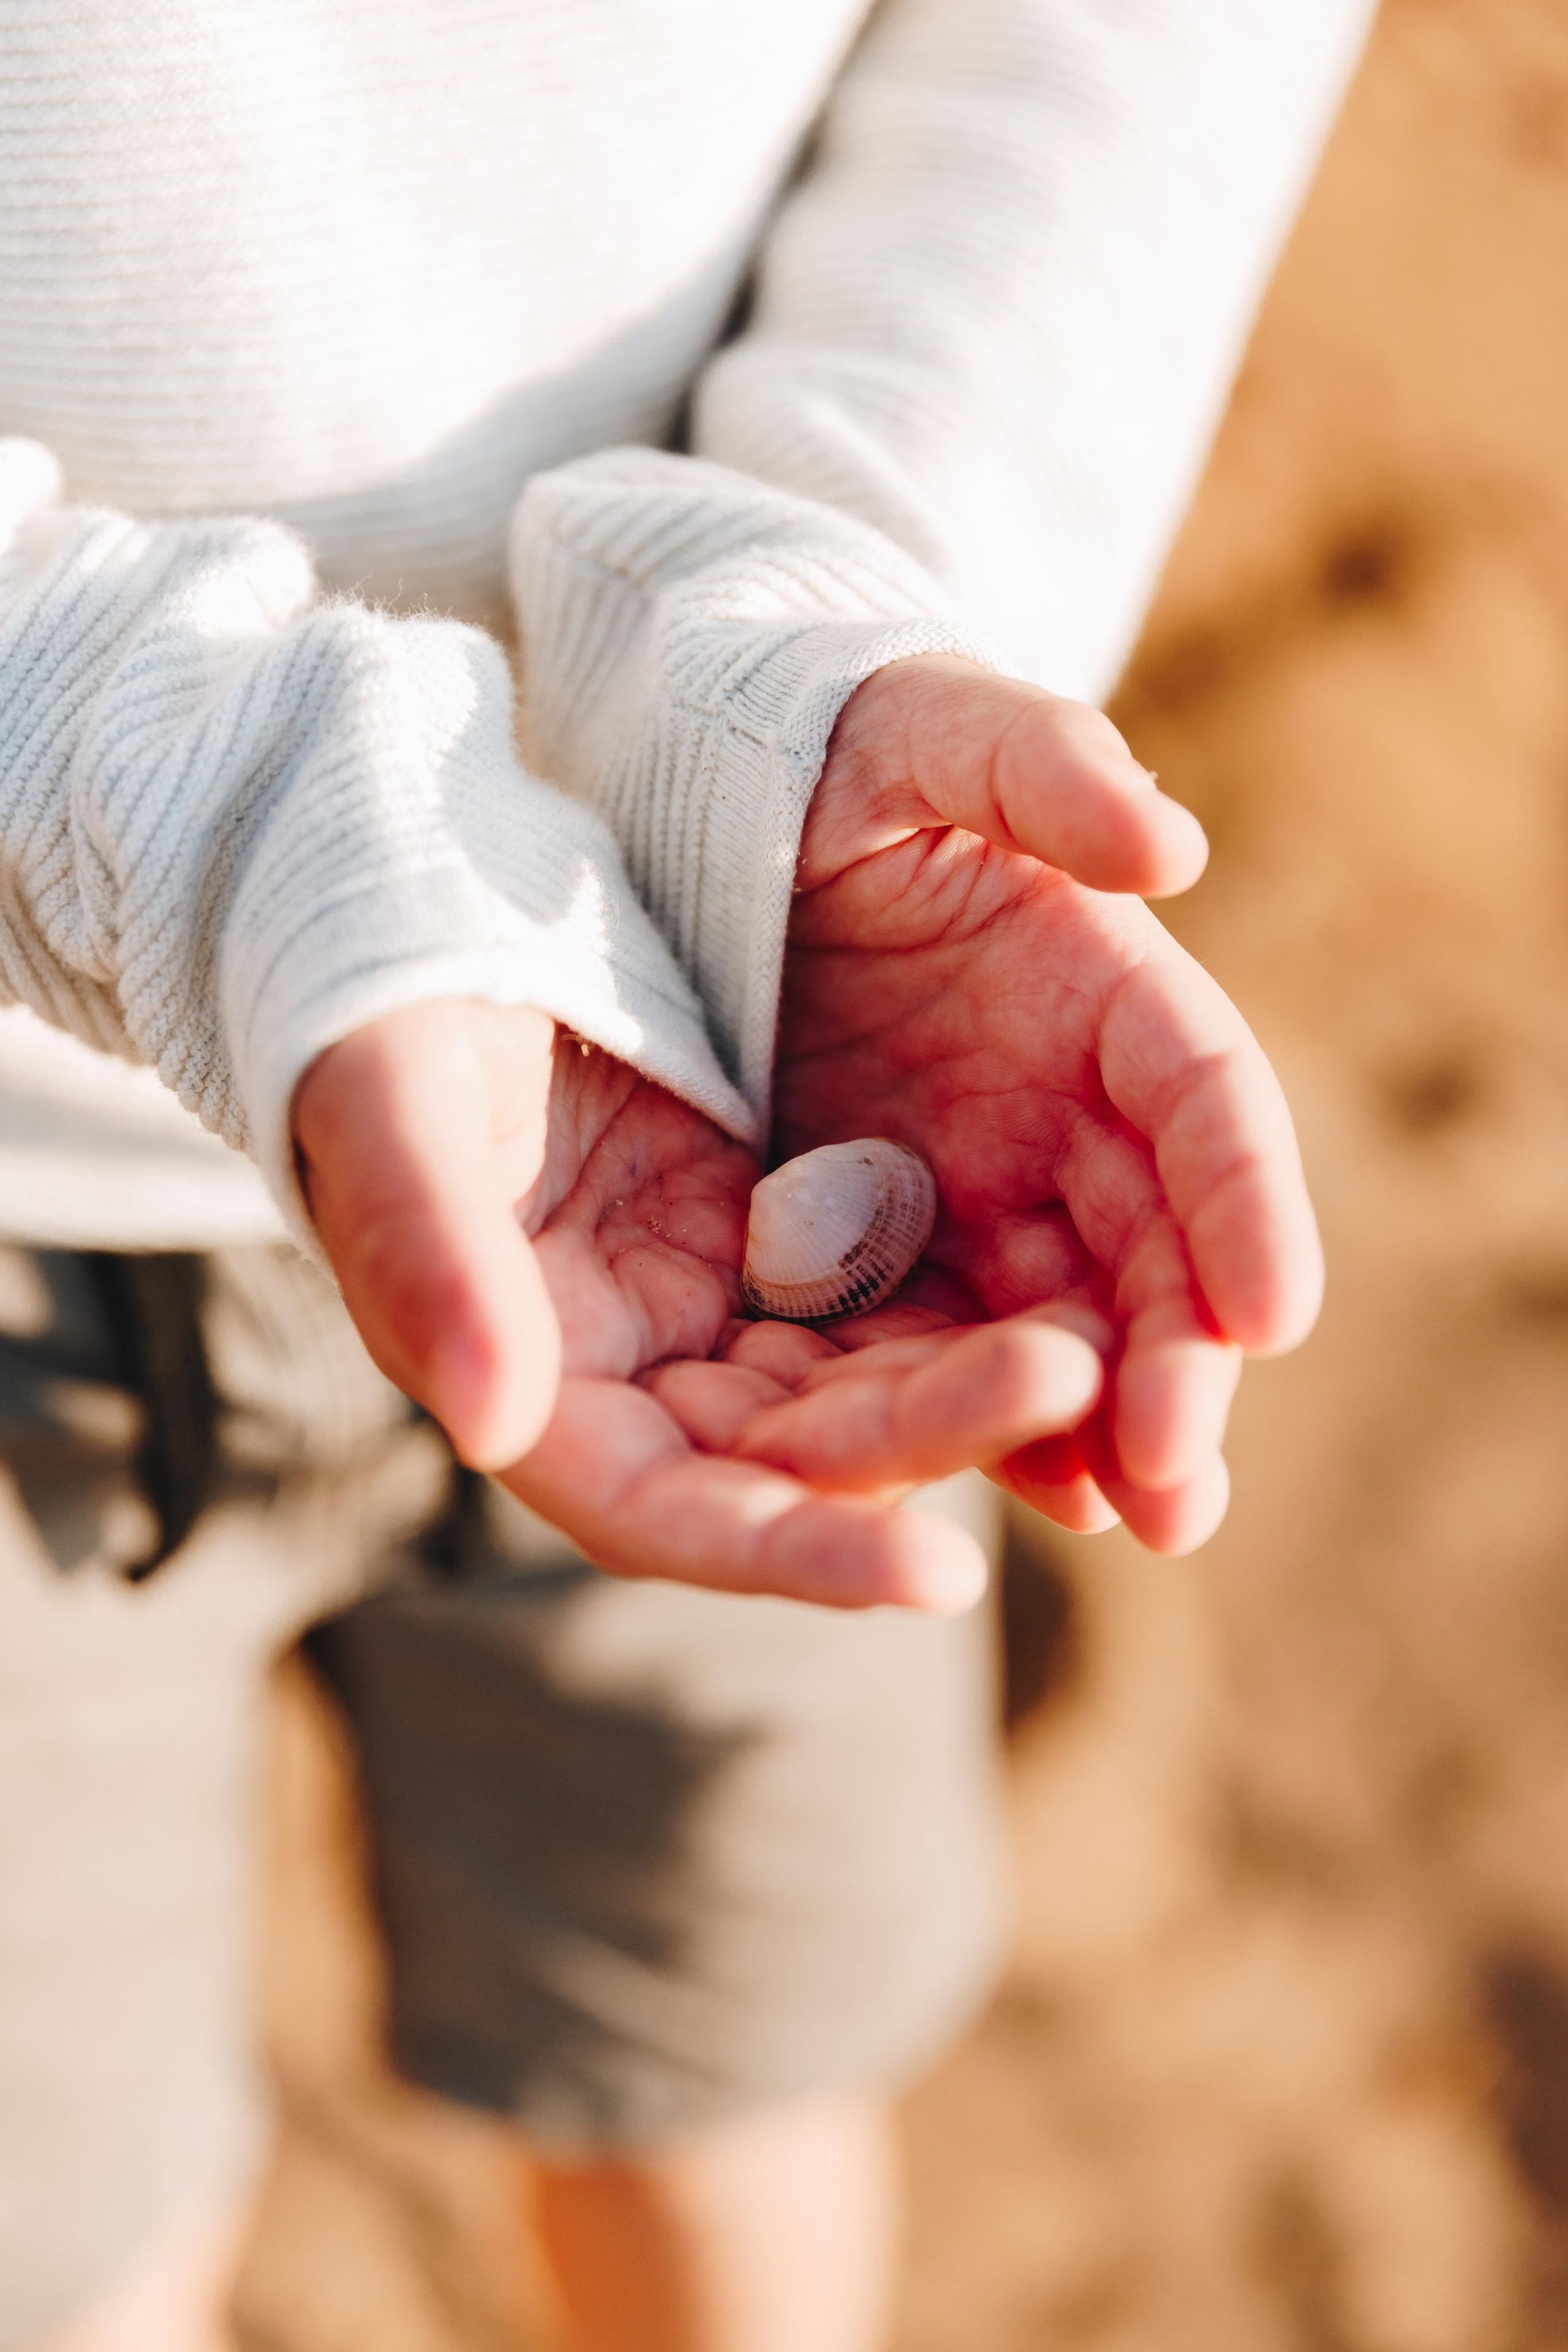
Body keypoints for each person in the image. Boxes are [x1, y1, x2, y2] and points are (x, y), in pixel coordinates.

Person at [0, 1, 1375, 2345]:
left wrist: (821, 634)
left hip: (724, 1013)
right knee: (63, 2234)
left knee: (727, 2070)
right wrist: (232, 818)